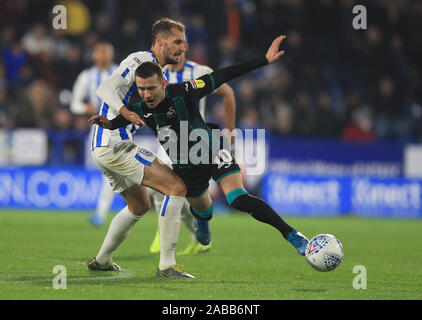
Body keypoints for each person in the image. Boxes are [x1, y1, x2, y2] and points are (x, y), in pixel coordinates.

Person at [89, 35, 309, 262]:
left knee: (237, 198)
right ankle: (203, 220)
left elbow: (221, 75)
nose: (146, 94)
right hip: (185, 166)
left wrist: (263, 60)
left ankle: (291, 234)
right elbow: (123, 120)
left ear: (163, 83)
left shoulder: (185, 91)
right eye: (142, 89)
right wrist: (110, 123)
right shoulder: (138, 106)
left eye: (151, 88)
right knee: (205, 210)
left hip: (212, 150)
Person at [87, 18, 195, 278]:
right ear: (160, 41)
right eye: (177, 42)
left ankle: (102, 260)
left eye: (185, 42)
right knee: (176, 187)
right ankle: (167, 266)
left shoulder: (160, 74)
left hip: (105, 146)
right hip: (114, 143)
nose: (183, 47)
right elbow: (105, 88)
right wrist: (125, 113)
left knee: (139, 206)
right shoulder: (139, 61)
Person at [148, 51, 237, 256]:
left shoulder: (200, 71)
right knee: (163, 188)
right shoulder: (157, 73)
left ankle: (194, 233)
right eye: (172, 44)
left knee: (188, 192)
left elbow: (228, 93)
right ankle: (165, 231)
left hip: (198, 140)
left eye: (180, 43)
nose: (176, 49)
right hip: (169, 139)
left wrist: (231, 129)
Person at [70, 42, 121, 227]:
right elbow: (74, 104)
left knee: (111, 171)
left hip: (120, 125)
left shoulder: (120, 73)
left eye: (106, 51)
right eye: (99, 51)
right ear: (93, 55)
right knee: (109, 171)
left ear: (112, 55)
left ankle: (101, 214)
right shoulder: (86, 76)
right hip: (98, 127)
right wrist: (86, 107)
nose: (102, 54)